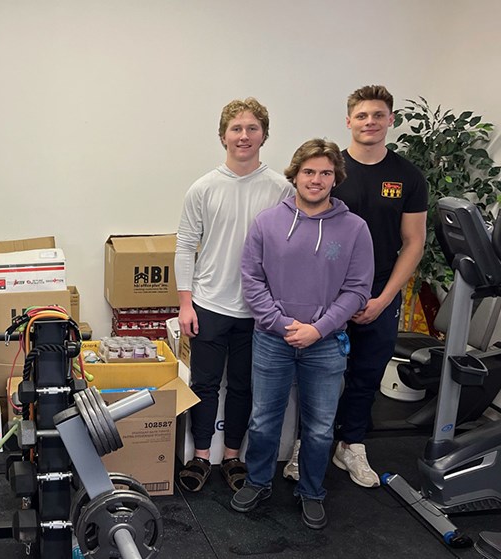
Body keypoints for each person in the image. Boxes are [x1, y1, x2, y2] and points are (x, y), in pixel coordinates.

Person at [233, 139, 374, 529]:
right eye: (309, 171)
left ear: (335, 178)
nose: (316, 179)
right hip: (272, 340)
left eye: (325, 173)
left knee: (318, 427)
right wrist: (282, 325)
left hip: (326, 344)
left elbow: (358, 289)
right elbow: (251, 279)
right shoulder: (267, 223)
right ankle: (259, 480)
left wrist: (318, 329)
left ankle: (312, 490)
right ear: (294, 174)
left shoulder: (355, 229)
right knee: (263, 421)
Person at [175, 98, 293, 493]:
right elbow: (185, 246)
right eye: (236, 129)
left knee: (244, 387)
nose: (244, 136)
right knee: (205, 385)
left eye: (252, 129)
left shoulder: (281, 189)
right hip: (209, 304)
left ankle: (232, 457)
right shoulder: (203, 188)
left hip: (259, 311)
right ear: (223, 135)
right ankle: (201, 457)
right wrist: (186, 303)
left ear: (264, 135)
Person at [330, 85, 428, 487]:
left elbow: (414, 241)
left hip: (380, 294)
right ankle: (307, 443)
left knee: (367, 374)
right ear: (349, 120)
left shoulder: (407, 176)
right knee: (318, 374)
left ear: (390, 120)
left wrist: (385, 297)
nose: (370, 122)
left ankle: (351, 444)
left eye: (378, 115)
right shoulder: (328, 168)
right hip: (328, 295)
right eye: (362, 115)